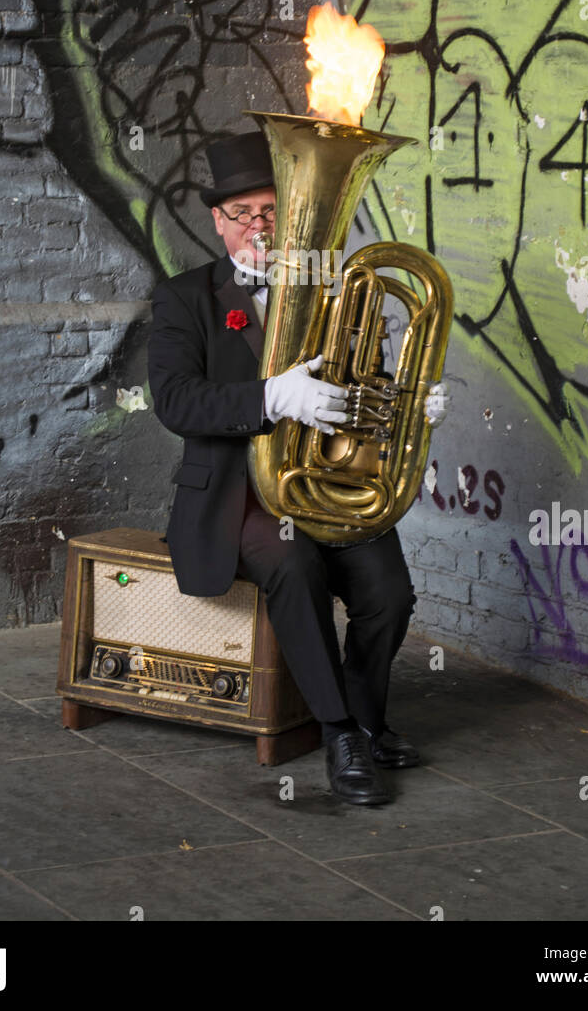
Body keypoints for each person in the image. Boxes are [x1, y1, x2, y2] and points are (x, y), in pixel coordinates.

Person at [147, 130, 448, 806]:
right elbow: (175, 401)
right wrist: (274, 396)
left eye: (270, 211)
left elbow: (361, 389)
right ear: (217, 222)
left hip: (325, 486)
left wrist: (410, 403)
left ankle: (368, 715)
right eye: (242, 214)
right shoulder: (185, 298)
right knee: (294, 566)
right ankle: (342, 731)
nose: (259, 226)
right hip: (240, 495)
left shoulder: (334, 288)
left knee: (388, 592)